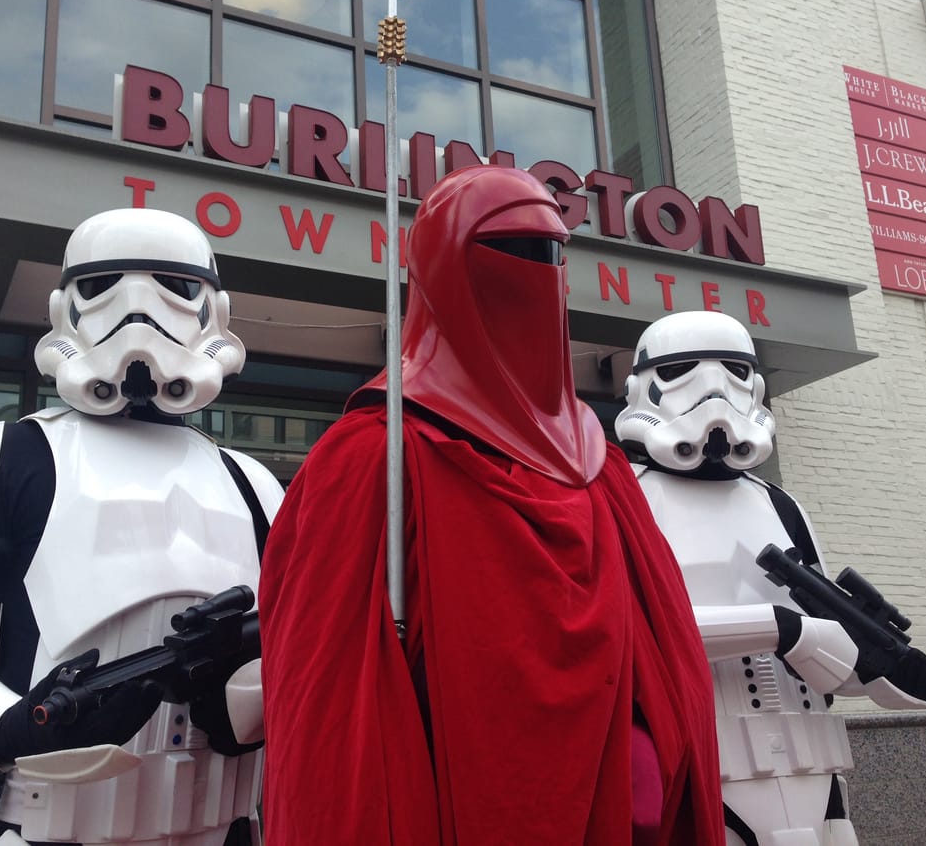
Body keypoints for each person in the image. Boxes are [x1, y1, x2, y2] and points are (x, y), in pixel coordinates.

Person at [258, 165, 724, 846]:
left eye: (553, 254)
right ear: (444, 269)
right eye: (515, 251)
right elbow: (330, 717)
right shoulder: (373, 457)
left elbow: (668, 666)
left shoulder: (602, 468)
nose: (540, 272)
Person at [0, 208, 284, 845]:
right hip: (41, 826)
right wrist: (14, 727)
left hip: (223, 826)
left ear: (214, 312)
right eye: (104, 285)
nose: (138, 309)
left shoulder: (253, 484)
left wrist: (243, 701)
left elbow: (292, 644)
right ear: (66, 306)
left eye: (174, 285)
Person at [614, 309, 926, 846]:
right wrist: (782, 628)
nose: (713, 389)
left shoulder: (780, 505)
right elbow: (628, 630)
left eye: (734, 369)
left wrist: (881, 673)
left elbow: (833, 643)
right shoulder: (626, 497)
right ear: (642, 388)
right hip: (697, 768)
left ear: (756, 384)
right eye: (684, 368)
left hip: (817, 771)